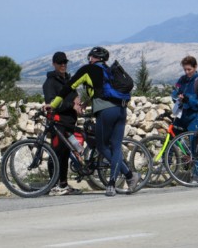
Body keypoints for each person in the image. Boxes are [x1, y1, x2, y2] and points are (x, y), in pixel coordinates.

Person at [48, 46, 140, 197]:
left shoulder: (87, 70)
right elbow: (101, 89)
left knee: (102, 147)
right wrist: (86, 102)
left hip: (106, 112)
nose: (89, 60)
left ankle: (114, 183)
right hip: (121, 110)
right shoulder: (109, 70)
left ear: (93, 58)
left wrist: (52, 105)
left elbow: (68, 87)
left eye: (89, 57)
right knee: (116, 147)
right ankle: (130, 177)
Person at [43, 51, 84, 195]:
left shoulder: (68, 79)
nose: (63, 65)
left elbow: (74, 96)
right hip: (58, 123)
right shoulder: (50, 82)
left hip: (69, 123)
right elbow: (51, 103)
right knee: (56, 153)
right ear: (54, 64)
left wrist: (77, 102)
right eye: (60, 62)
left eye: (65, 62)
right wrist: (71, 105)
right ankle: (53, 185)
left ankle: (63, 184)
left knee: (66, 154)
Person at [171, 56, 198, 183]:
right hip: (182, 114)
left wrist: (188, 99)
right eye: (185, 69)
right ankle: (169, 167)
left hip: (195, 116)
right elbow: (174, 92)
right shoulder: (182, 80)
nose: (187, 72)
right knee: (171, 138)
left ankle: (197, 174)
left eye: (189, 69)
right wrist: (177, 98)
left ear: (195, 67)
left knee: (195, 145)